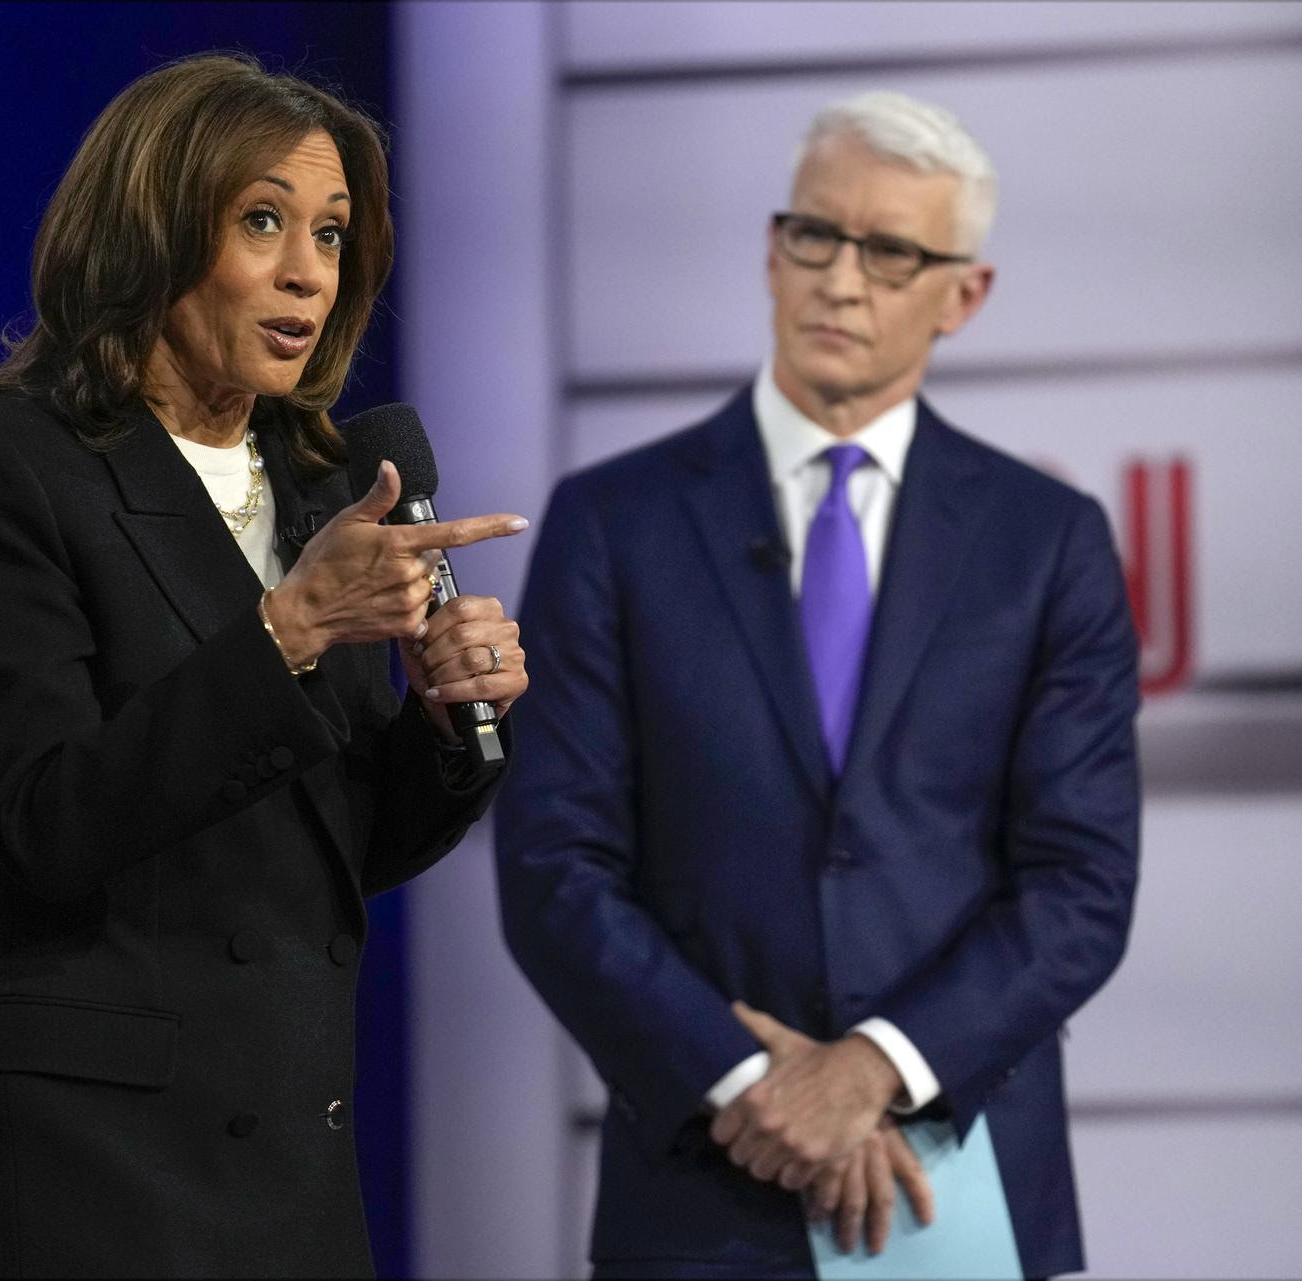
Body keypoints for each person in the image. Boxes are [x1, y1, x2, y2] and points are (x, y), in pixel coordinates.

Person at [0, 54, 528, 1278]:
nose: (307, 274)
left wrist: (442, 727)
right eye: (263, 222)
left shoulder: (322, 486)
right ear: (151, 232)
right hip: (75, 1162)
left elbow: (314, 852)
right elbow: (48, 819)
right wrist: (285, 633)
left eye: (331, 235)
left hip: (287, 1158)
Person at [496, 89, 1139, 1279]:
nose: (841, 280)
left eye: (891, 252)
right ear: (770, 250)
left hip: (956, 1188)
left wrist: (872, 1072)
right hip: (701, 1188)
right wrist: (757, 1086)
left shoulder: (1046, 541)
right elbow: (552, 864)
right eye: (814, 236)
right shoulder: (613, 525)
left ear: (965, 295)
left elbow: (1083, 886)